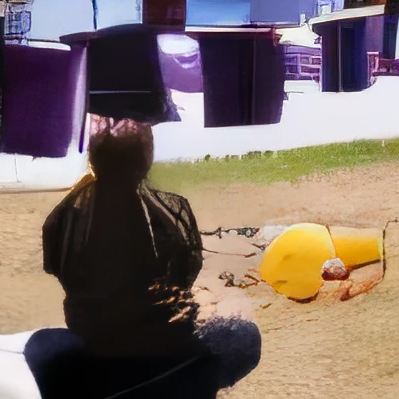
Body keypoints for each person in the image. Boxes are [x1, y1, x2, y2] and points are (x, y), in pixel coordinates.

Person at [25, 122, 260, 399]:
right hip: (159, 356)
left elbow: (58, 268)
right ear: (144, 161)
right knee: (245, 336)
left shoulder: (67, 220)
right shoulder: (167, 216)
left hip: (94, 343)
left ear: (94, 159)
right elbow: (185, 272)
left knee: (41, 345)